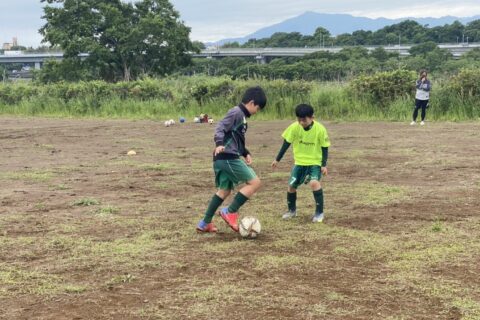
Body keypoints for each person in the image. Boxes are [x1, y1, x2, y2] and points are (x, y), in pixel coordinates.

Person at [196, 86, 267, 233]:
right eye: (258, 108)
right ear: (252, 103)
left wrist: (245, 152)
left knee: (224, 190)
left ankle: (205, 223)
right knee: (255, 182)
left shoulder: (242, 117)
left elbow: (236, 138)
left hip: (222, 158)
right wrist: (219, 143)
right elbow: (220, 127)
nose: (257, 112)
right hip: (227, 156)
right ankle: (230, 211)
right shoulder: (236, 112)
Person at [272, 104, 330, 223]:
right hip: (299, 163)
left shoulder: (320, 129)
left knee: (314, 183)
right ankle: (292, 211)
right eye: (299, 120)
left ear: (312, 117)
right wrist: (277, 159)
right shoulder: (294, 127)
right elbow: (286, 144)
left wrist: (323, 165)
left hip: (315, 163)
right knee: (291, 186)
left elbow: (325, 148)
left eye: (304, 120)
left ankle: (319, 213)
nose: (301, 122)